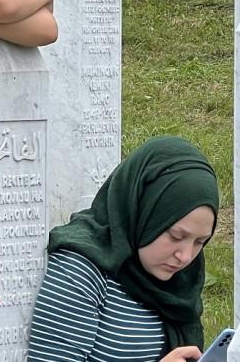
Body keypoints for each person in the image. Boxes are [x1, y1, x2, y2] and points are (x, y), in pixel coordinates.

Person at [26, 136, 220, 362]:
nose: (185, 256)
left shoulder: (179, 281)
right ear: (144, 213)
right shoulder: (81, 271)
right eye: (176, 236)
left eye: (200, 242)